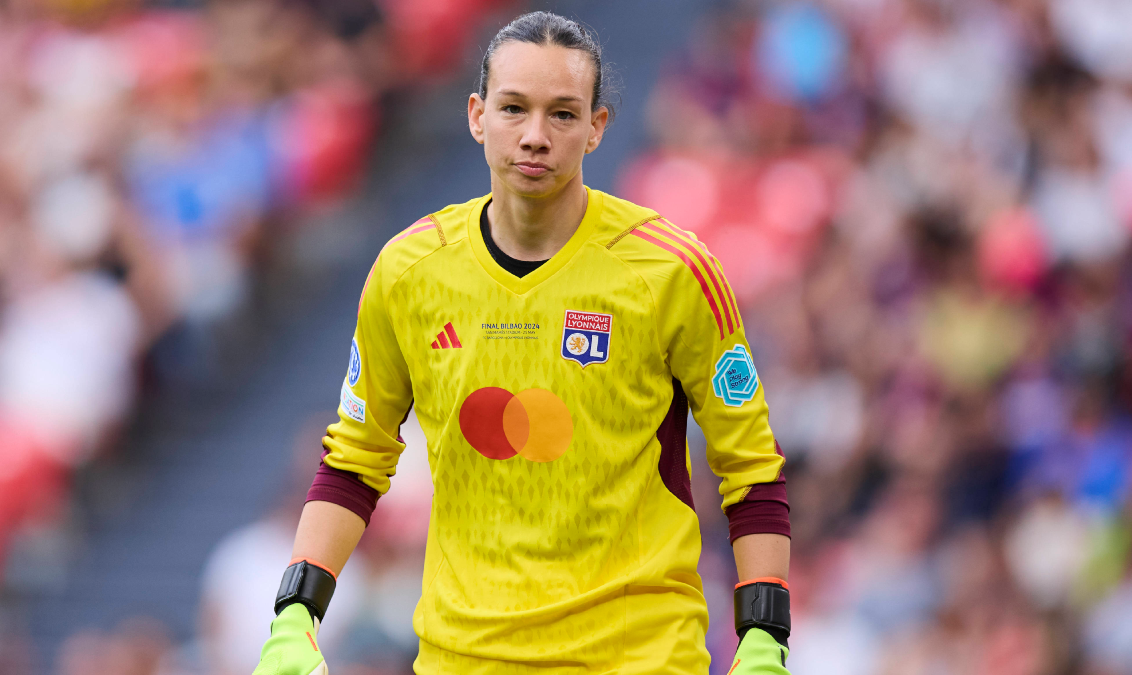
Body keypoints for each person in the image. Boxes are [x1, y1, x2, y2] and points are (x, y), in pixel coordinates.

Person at [252, 11, 791, 675]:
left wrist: (765, 636)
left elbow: (751, 465)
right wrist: (295, 616)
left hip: (637, 657)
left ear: (597, 127)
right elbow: (356, 457)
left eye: (563, 114)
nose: (535, 136)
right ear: (478, 115)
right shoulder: (410, 269)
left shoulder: (671, 270)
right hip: (463, 658)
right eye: (514, 108)